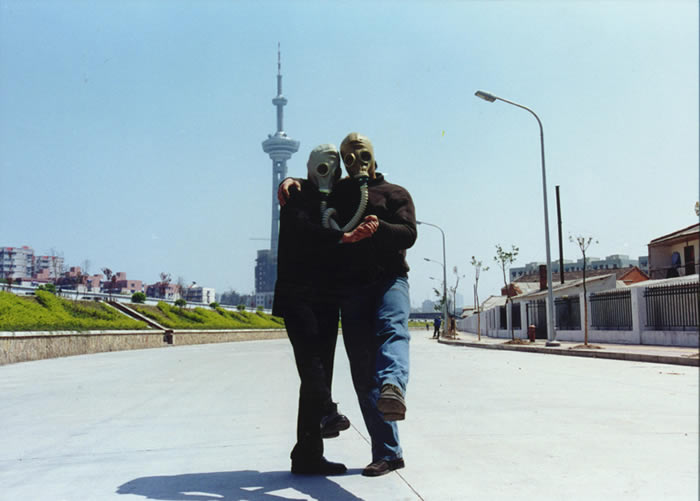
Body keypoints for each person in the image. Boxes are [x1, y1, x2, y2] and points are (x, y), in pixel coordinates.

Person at [280, 132, 417, 477]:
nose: (357, 163)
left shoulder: (395, 193)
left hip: (389, 280)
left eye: (362, 155)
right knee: (361, 372)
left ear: (374, 156)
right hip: (351, 290)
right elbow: (315, 190)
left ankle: (393, 386)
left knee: (392, 331)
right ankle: (387, 453)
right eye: (348, 158)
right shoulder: (340, 195)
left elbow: (409, 233)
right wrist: (291, 180)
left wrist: (380, 228)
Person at [273, 144, 378, 476]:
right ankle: (327, 411)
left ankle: (307, 455)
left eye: (333, 168)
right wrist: (343, 238)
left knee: (320, 371)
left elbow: (368, 188)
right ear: (309, 167)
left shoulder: (340, 197)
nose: (327, 173)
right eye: (322, 167)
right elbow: (301, 229)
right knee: (311, 362)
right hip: (298, 295)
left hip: (326, 297)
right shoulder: (297, 196)